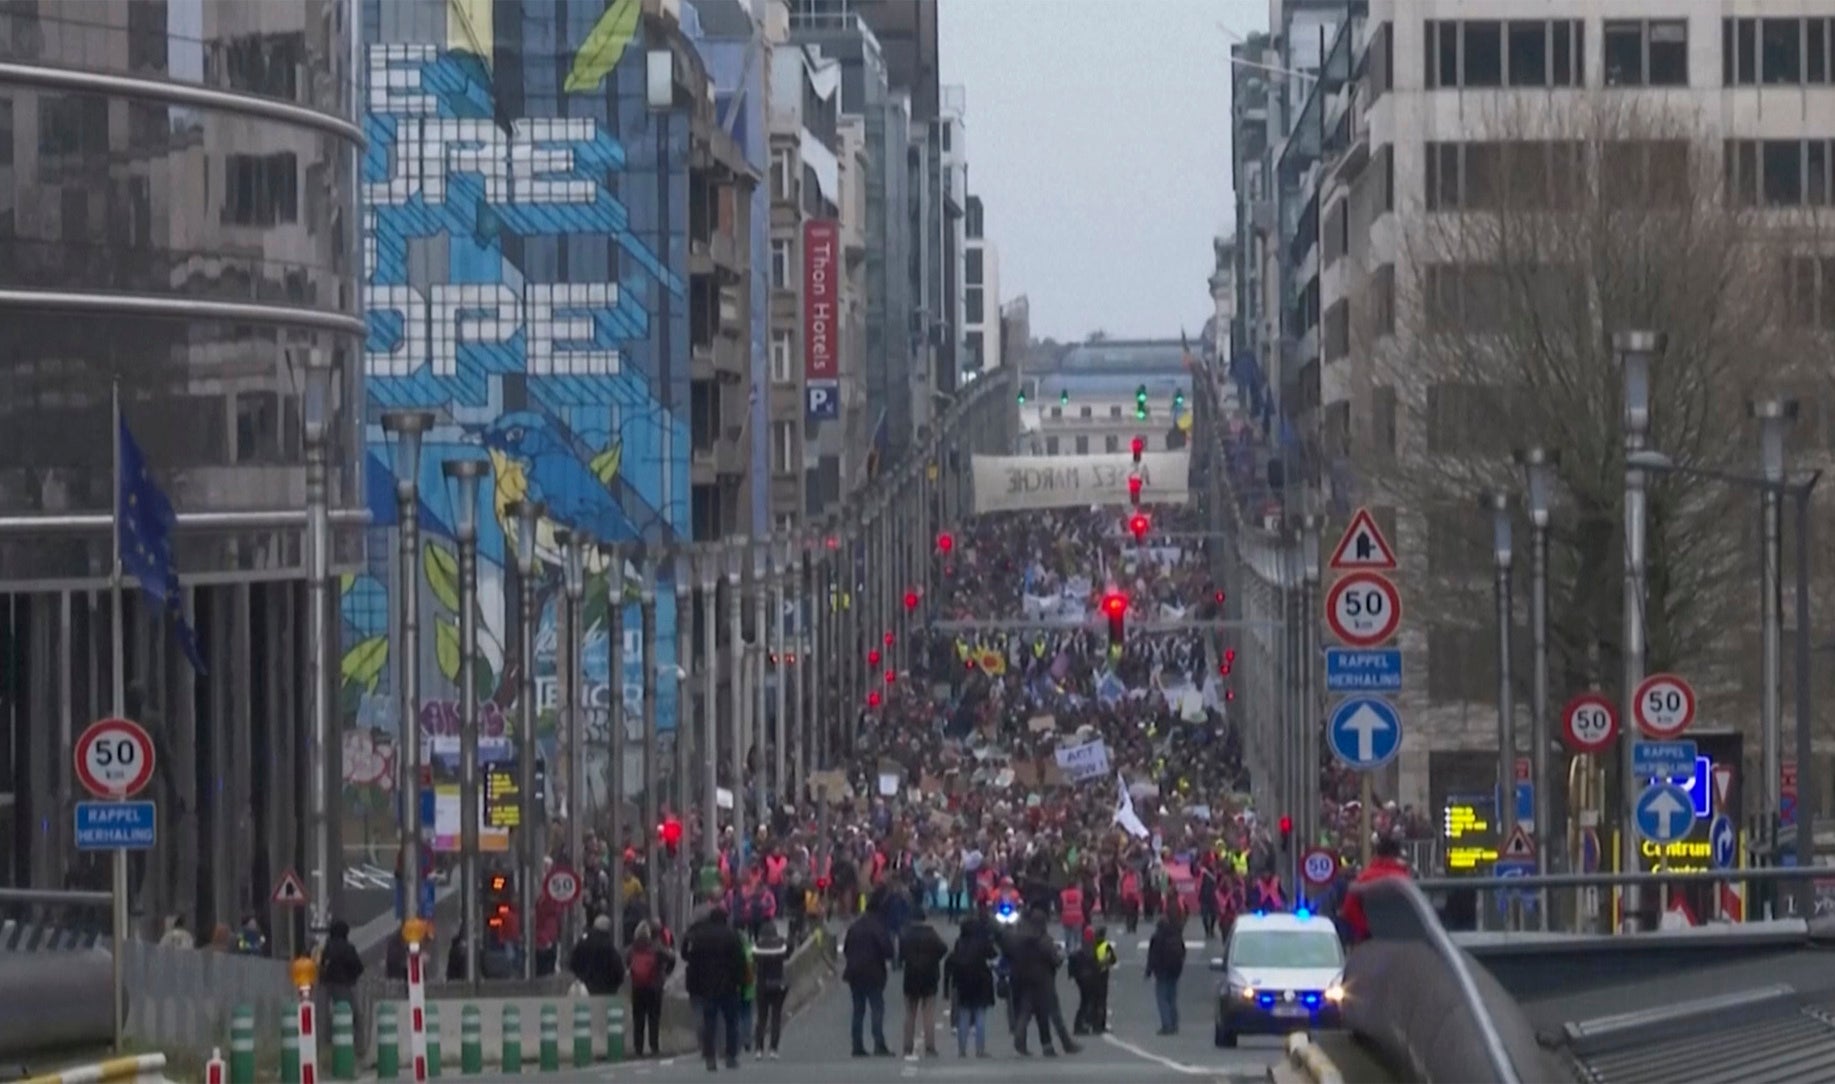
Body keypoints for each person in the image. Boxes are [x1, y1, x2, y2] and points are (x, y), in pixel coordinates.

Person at [683, 906, 748, 1071]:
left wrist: (695, 986)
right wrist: (741, 982)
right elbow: (740, 961)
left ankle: (710, 1057)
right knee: (731, 1022)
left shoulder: (700, 937)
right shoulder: (732, 936)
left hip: (707, 986)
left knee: (709, 1023)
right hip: (729, 986)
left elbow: (693, 963)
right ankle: (730, 1056)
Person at [842, 893, 896, 1057]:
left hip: (854, 972)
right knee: (876, 1007)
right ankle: (879, 1043)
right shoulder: (878, 927)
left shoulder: (855, 927)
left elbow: (846, 949)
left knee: (858, 1010)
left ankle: (857, 1045)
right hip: (874, 972)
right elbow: (888, 951)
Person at [943, 908, 998, 1058]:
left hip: (963, 982)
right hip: (981, 981)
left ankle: (962, 1050)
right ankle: (980, 1050)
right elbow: (993, 954)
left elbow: (952, 960)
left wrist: (948, 988)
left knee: (964, 1015)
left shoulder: (959, 943)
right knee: (980, 1015)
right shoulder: (982, 941)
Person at [897, 907, 948, 1060]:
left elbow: (901, 956)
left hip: (911, 976)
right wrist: (932, 960)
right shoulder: (932, 934)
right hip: (929, 976)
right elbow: (943, 949)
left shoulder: (906, 935)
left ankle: (907, 1046)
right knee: (928, 1013)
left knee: (910, 1014)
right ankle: (930, 1047)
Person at [1341, 838, 1412, 943]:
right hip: (1399, 940)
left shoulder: (1363, 878)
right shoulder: (1404, 879)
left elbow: (1348, 909)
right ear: (1397, 855)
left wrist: (1367, 928)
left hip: (1369, 941)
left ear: (1377, 854)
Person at [625, 922, 675, 1058]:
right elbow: (671, 958)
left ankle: (638, 1048)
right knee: (654, 1018)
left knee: (638, 1019)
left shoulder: (631, 949)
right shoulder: (656, 948)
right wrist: (666, 973)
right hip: (654, 987)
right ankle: (654, 1047)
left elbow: (627, 961)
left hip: (637, 987)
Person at [1145, 905, 1186, 1035]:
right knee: (1172, 998)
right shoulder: (1175, 935)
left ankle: (1166, 1025)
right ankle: (1174, 1024)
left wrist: (1148, 971)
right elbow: (1183, 951)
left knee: (1162, 998)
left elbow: (1152, 956)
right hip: (1174, 970)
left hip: (1162, 971)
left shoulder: (1157, 938)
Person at [752, 921, 789, 1059]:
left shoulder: (757, 946)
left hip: (761, 985)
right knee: (776, 1017)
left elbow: (753, 960)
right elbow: (788, 953)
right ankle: (773, 1049)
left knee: (761, 1018)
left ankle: (759, 1049)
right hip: (777, 984)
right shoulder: (780, 945)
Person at [1068, 926, 1114, 1035]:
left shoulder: (1080, 951)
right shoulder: (1100, 947)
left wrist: (1074, 976)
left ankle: (1082, 1025)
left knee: (1086, 1002)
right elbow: (1107, 963)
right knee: (1098, 1002)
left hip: (1084, 981)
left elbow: (1073, 966)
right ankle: (1096, 1025)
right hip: (1097, 980)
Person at [568, 914, 625, 996]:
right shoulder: (609, 947)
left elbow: (573, 962)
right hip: (606, 990)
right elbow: (618, 970)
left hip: (585, 989)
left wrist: (580, 976)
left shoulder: (583, 942)